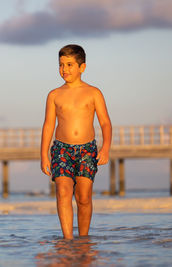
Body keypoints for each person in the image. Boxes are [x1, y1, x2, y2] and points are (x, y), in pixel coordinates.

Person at [40, 44, 112, 239]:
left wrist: (105, 148)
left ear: (82, 67)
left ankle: (83, 240)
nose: (64, 69)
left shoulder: (93, 93)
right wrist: (44, 155)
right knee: (63, 192)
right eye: (61, 65)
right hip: (61, 149)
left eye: (70, 64)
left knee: (83, 197)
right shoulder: (54, 95)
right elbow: (48, 126)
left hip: (87, 149)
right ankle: (67, 240)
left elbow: (105, 123)